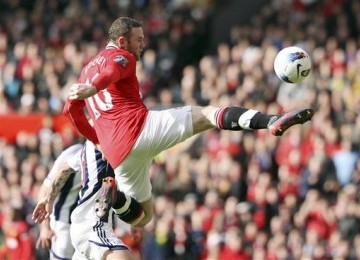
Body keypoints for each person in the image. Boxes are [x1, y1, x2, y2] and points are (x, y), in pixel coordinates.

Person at [63, 17, 314, 228]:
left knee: (143, 217)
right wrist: (94, 87)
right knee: (207, 116)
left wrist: (97, 140)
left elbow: (71, 111)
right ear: (121, 41)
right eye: (139, 39)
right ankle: (270, 121)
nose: (143, 44)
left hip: (117, 154)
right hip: (141, 128)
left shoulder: (85, 70)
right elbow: (111, 73)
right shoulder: (122, 57)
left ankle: (115, 196)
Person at [32, 140, 144, 260]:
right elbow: (47, 187)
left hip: (87, 221)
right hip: (67, 224)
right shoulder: (77, 151)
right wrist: (45, 227)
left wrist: (132, 221)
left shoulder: (109, 148)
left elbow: (114, 188)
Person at [35, 143, 82, 259]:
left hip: (91, 226)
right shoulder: (73, 152)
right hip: (63, 225)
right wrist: (45, 227)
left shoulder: (109, 152)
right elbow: (44, 189)